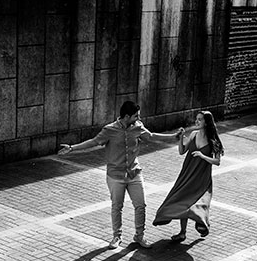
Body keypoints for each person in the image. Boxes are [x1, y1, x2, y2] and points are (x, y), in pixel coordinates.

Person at [58, 101, 183, 249]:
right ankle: (116, 236)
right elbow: (94, 142)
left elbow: (151, 136)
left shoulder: (138, 127)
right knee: (117, 207)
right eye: (136, 115)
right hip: (115, 175)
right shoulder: (109, 130)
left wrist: (174, 137)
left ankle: (139, 236)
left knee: (141, 205)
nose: (139, 117)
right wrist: (72, 148)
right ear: (126, 116)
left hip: (134, 173)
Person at [153, 110, 223, 241]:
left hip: (201, 177)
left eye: (200, 119)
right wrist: (181, 139)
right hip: (187, 174)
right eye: (196, 119)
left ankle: (203, 223)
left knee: (200, 202)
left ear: (206, 122)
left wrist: (203, 156)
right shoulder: (193, 135)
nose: (196, 121)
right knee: (182, 200)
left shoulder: (213, 140)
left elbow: (217, 161)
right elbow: (182, 151)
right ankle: (182, 232)